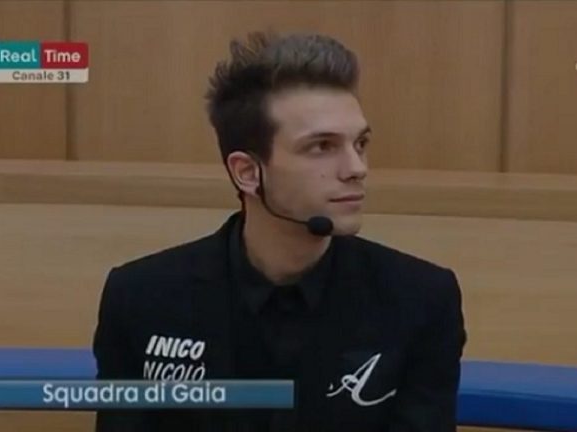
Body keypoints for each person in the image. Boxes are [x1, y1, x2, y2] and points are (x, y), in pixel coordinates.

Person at [93, 30, 467, 432]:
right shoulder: (141, 298)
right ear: (247, 172)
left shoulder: (422, 300)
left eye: (360, 143)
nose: (357, 168)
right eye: (322, 146)